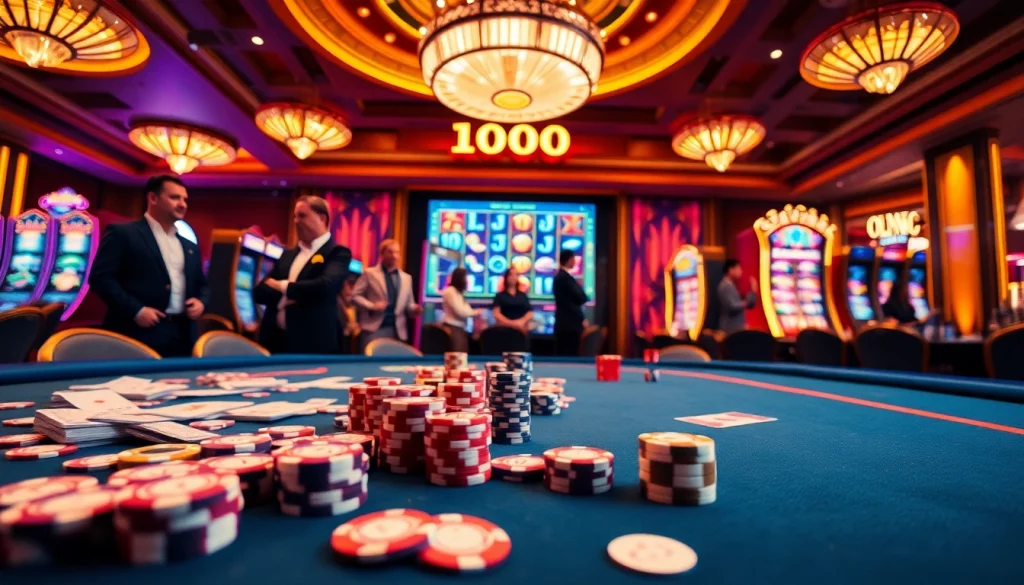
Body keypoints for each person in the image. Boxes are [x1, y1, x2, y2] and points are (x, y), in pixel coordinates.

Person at [89, 175, 208, 357]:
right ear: (153, 198)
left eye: (185, 199)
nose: (183, 204)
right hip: (136, 333)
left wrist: (201, 302)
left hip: (182, 335)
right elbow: (100, 278)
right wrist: (136, 310)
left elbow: (203, 285)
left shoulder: (189, 245)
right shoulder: (123, 233)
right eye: (175, 197)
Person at [254, 195, 351, 354]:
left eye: (302, 216)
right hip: (276, 344)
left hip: (313, 346)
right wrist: (294, 295)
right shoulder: (288, 255)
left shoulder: (337, 253)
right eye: (295, 216)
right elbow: (260, 292)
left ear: (321, 218)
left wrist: (283, 286)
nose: (296, 221)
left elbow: (325, 286)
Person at [353, 239, 422, 350]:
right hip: (374, 329)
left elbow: (409, 304)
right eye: (390, 252)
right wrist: (372, 306)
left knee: (394, 366)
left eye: (397, 252)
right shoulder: (369, 273)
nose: (394, 256)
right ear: (382, 254)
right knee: (371, 364)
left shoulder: (406, 278)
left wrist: (414, 309)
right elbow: (355, 296)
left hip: (398, 331)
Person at [553, 249, 588, 356]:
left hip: (566, 325)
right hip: (568, 326)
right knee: (568, 355)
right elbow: (581, 297)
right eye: (574, 259)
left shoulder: (561, 277)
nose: (575, 261)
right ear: (569, 260)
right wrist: (581, 319)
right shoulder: (564, 278)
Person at [441, 267, 482, 352]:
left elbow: (465, 309)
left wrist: (474, 312)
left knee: (462, 356)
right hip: (453, 328)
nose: (467, 281)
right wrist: (475, 312)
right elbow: (460, 311)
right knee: (457, 356)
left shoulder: (458, 293)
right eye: (465, 278)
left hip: (460, 328)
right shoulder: (450, 291)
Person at [717, 259, 758, 334]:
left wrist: (752, 292)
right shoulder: (725, 286)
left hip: (735, 327)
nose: (741, 271)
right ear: (730, 270)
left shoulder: (731, 285)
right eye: (738, 268)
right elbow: (732, 306)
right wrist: (746, 302)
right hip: (730, 328)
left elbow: (749, 304)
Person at [492, 267, 534, 332]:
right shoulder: (499, 296)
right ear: (506, 277)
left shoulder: (523, 295)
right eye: (511, 275)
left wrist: (521, 321)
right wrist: (510, 323)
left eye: (515, 275)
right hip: (504, 330)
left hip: (521, 329)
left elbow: (530, 312)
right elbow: (496, 313)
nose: (513, 277)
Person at [337, 278, 359, 353]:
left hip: (353, 341)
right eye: (350, 287)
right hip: (341, 341)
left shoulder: (355, 303)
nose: (352, 291)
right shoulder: (337, 303)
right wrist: (347, 329)